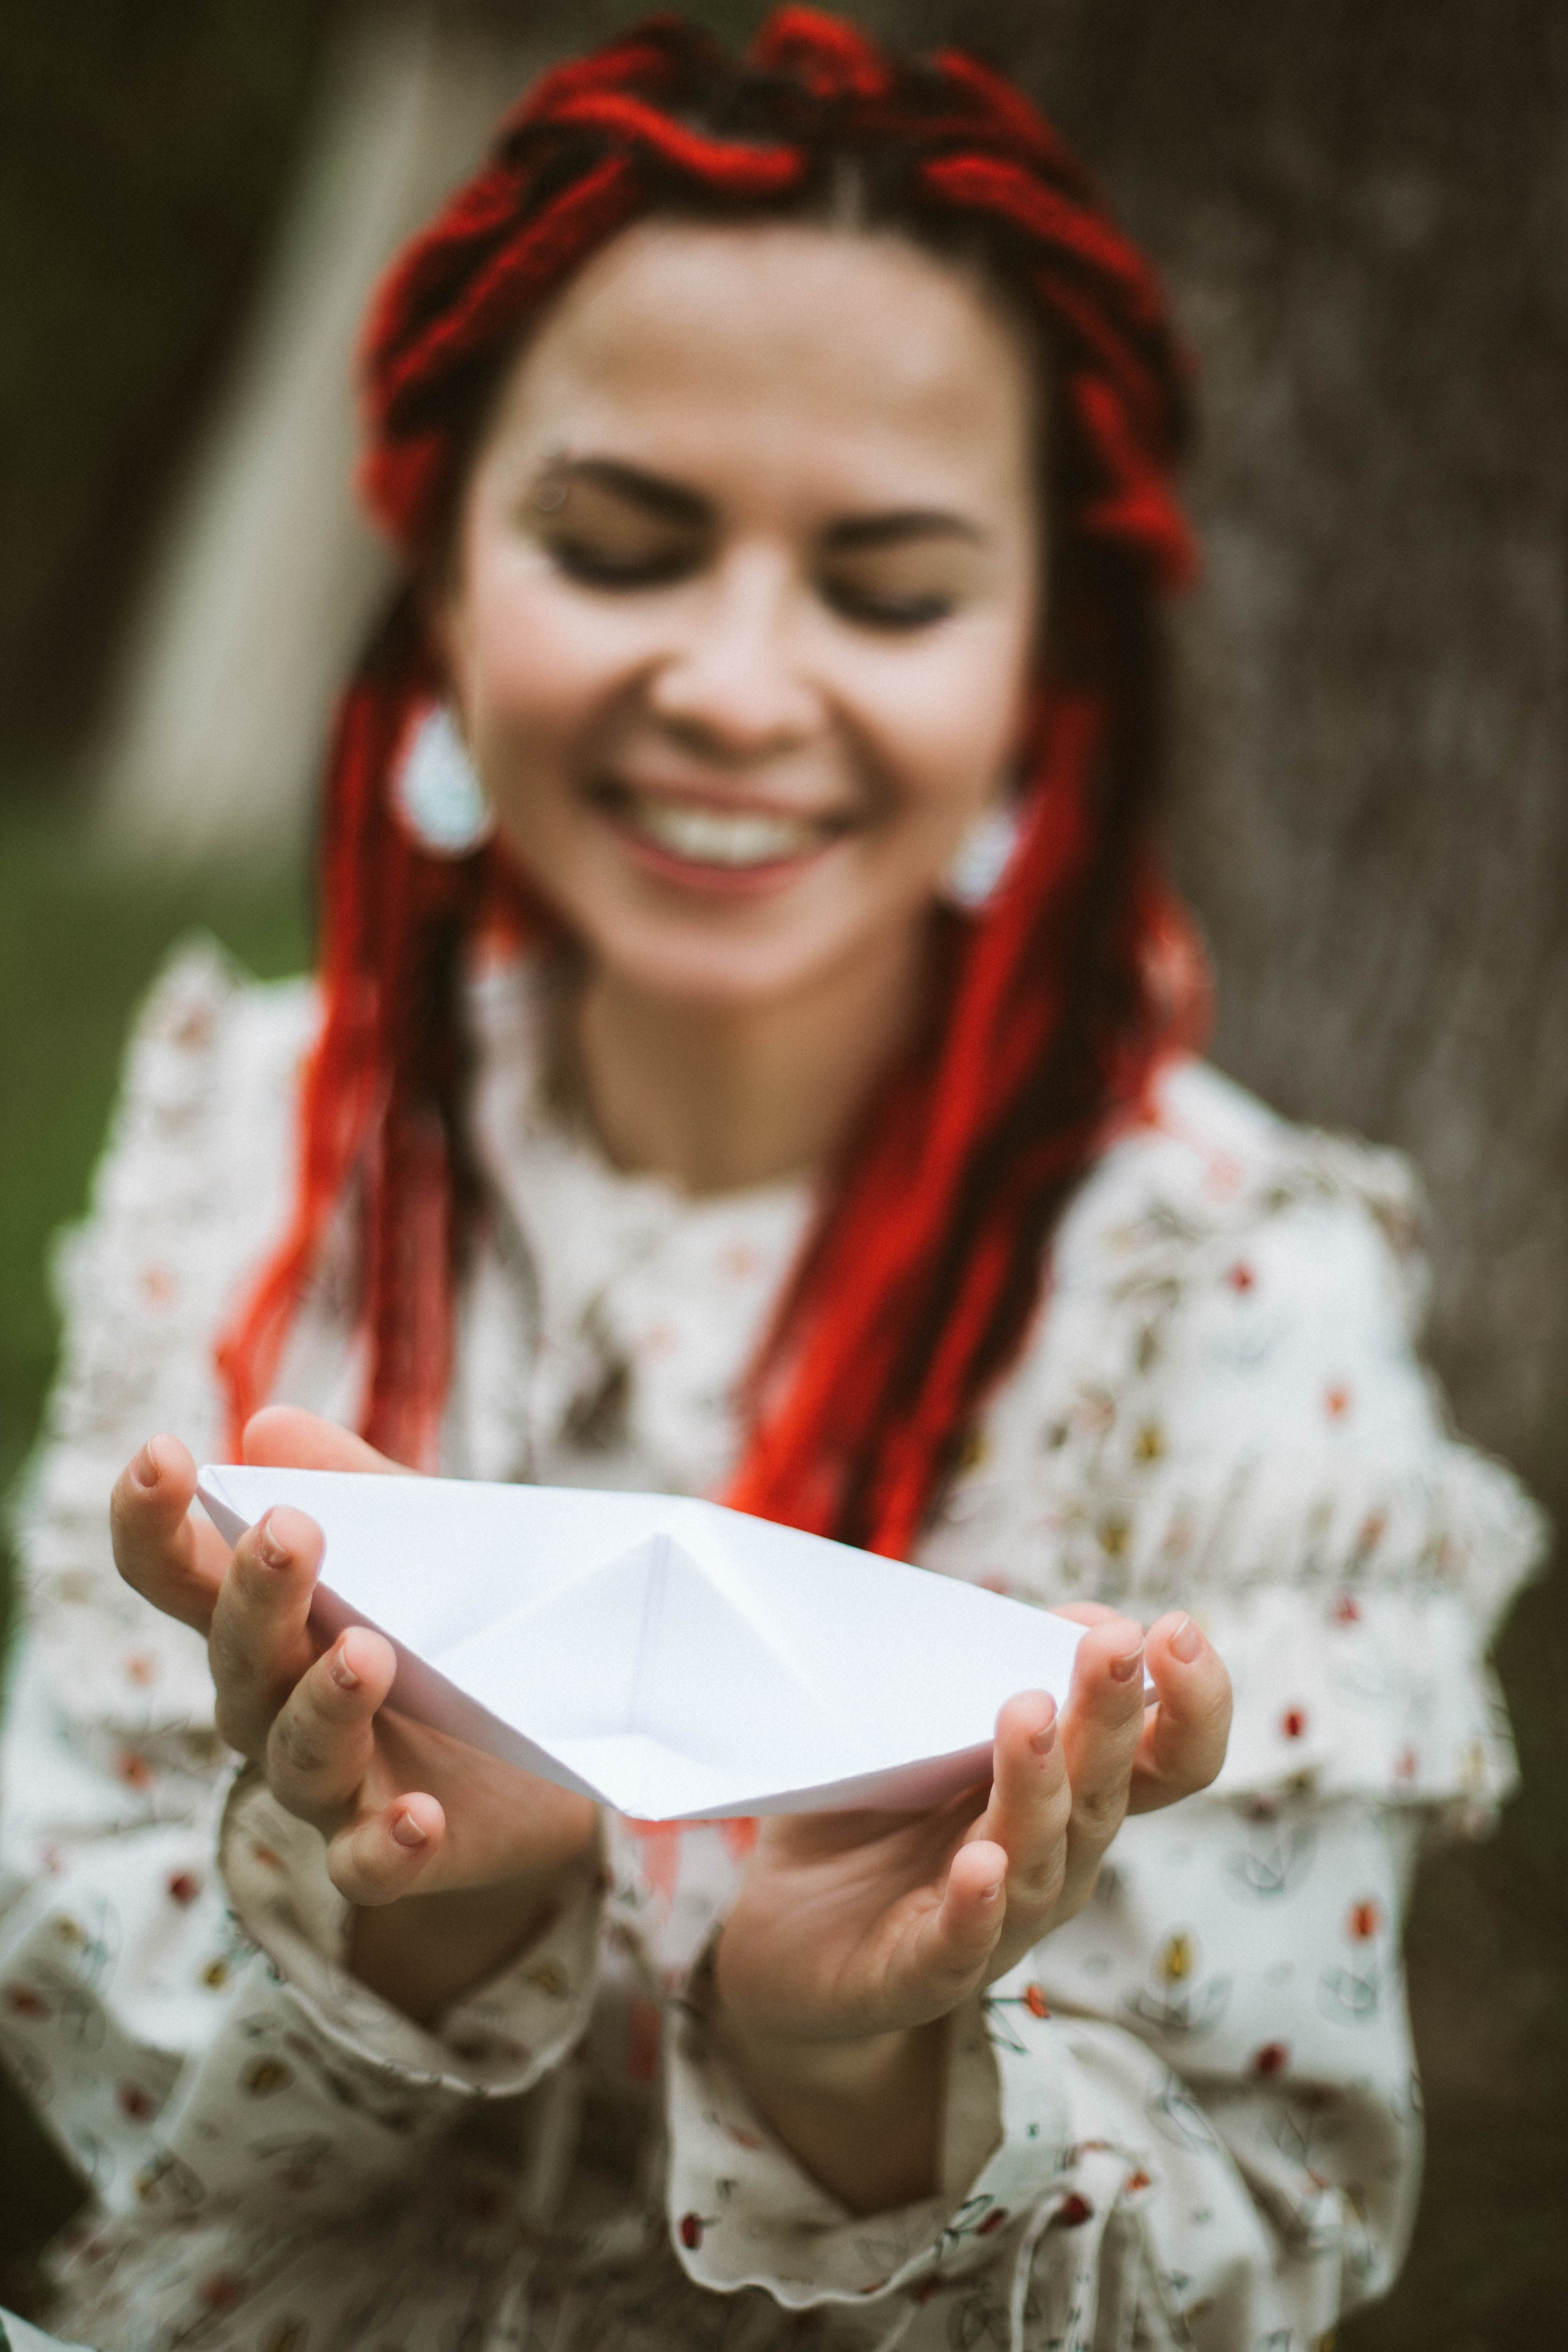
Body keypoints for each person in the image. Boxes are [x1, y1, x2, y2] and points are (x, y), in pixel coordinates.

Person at [0, 12, 1544, 2350]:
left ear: (1048, 676)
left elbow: (1251, 2250)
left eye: (888, 589)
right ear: (434, 580)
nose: (735, 682)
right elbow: (89, 2045)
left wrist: (856, 2061)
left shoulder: (1229, 1314)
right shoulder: (260, 1162)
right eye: (620, 547)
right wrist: (420, 1914)